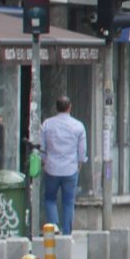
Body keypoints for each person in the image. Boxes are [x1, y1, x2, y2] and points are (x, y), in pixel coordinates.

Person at [39, 95, 87, 235]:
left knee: (49, 199)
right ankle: (67, 233)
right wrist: (79, 163)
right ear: (70, 107)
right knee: (68, 202)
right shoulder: (78, 126)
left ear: (56, 108)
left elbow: (42, 147)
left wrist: (43, 160)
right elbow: (82, 150)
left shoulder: (47, 124)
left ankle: (53, 226)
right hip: (70, 169)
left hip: (51, 168)